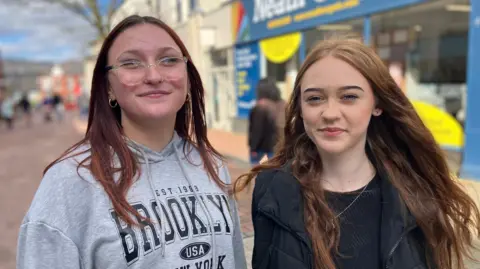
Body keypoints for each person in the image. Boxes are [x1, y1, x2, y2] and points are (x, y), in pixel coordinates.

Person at [17, 15, 247, 269]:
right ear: (108, 88)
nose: (154, 75)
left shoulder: (212, 166)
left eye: (169, 60)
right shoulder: (70, 183)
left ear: (187, 77)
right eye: (131, 63)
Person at [234, 39, 480, 269]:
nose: (330, 112)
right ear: (300, 106)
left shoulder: (418, 192)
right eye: (315, 98)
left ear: (377, 104)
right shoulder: (270, 190)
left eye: (349, 97)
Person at [248, 78, 285, 165]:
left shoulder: (260, 107)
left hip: (261, 150)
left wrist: (253, 148)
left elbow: (257, 131)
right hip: (279, 149)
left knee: (259, 175)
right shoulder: (283, 105)